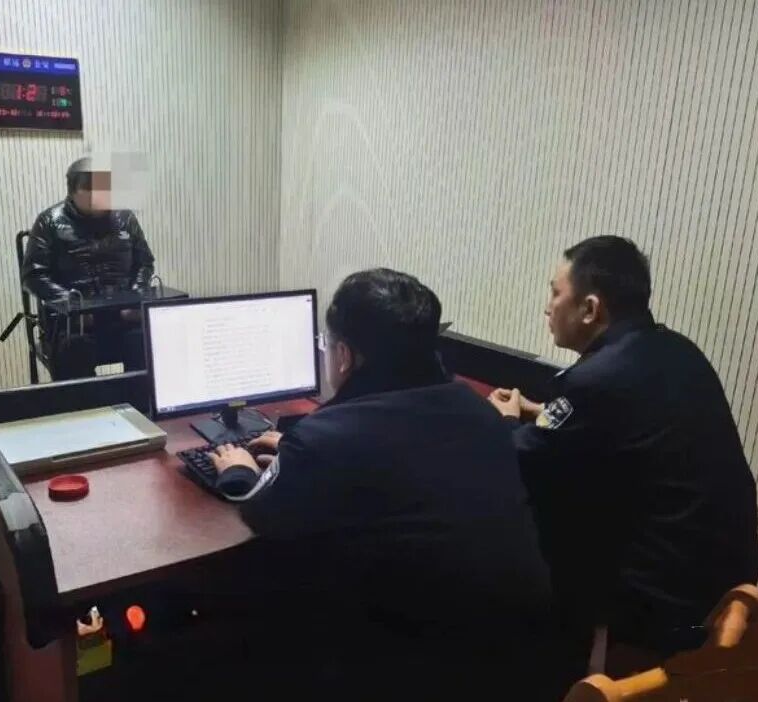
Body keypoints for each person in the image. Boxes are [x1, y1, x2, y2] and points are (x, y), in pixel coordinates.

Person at [207, 269, 564, 698]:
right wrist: (299, 450)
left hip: (410, 666)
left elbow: (263, 511)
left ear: (344, 356)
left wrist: (239, 469)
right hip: (521, 660)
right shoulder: (478, 411)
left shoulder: (328, 437)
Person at [487, 236, 758, 671]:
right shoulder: (677, 351)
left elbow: (527, 461)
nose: (547, 306)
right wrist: (541, 413)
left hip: (662, 598)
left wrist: (504, 421)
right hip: (727, 576)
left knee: (525, 530)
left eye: (555, 293)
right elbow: (619, 429)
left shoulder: (596, 379)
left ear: (590, 309)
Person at [21, 156, 155, 376]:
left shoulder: (125, 217)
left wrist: (135, 296)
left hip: (123, 314)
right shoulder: (49, 221)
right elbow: (33, 275)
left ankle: (139, 398)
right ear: (73, 191)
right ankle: (86, 400)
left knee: (146, 341)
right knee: (75, 349)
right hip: (74, 322)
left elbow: (144, 262)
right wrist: (73, 305)